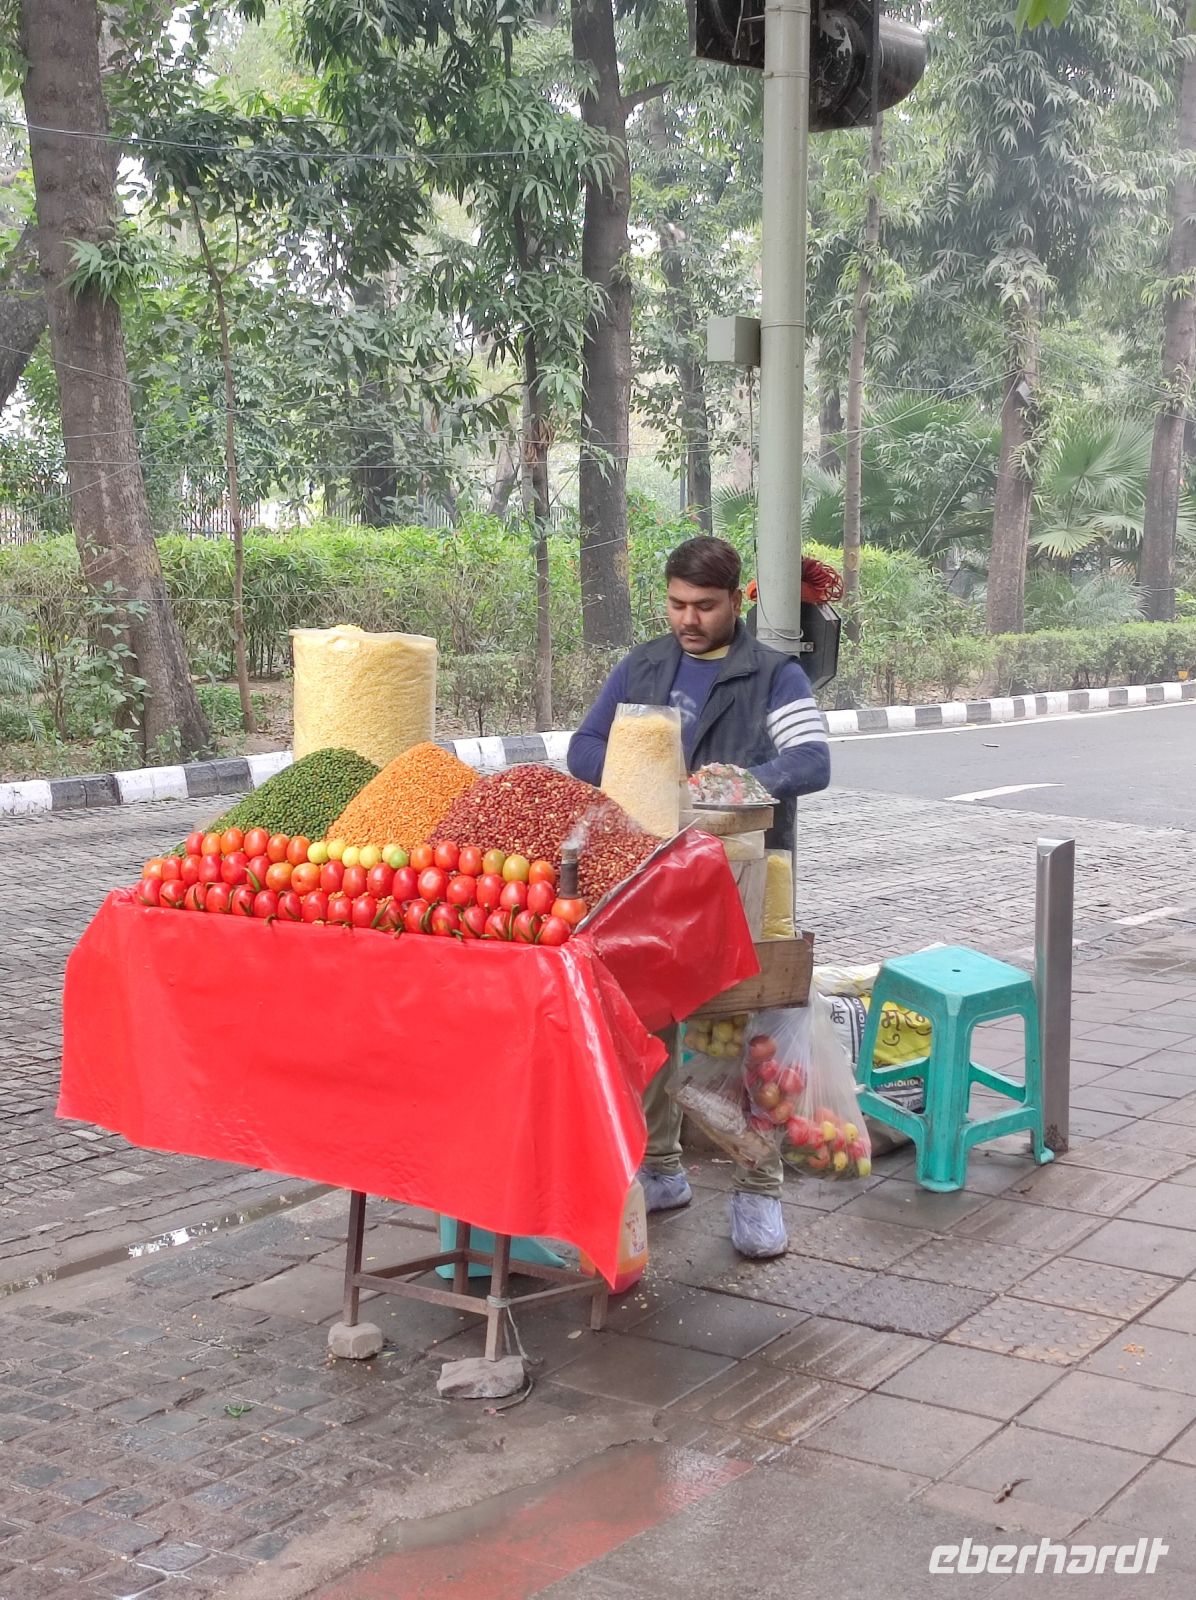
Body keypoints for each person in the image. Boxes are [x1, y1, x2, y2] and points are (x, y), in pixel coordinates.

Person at [568, 536, 830, 1258]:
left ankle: (758, 1190)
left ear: (735, 601)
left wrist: (729, 786)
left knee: (749, 1033)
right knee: (649, 1023)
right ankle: (660, 1168)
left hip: (745, 879)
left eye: (705, 606)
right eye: (677, 604)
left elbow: (812, 760)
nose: (688, 619)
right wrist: (650, 780)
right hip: (651, 877)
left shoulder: (774, 674)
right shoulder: (644, 666)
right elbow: (585, 746)